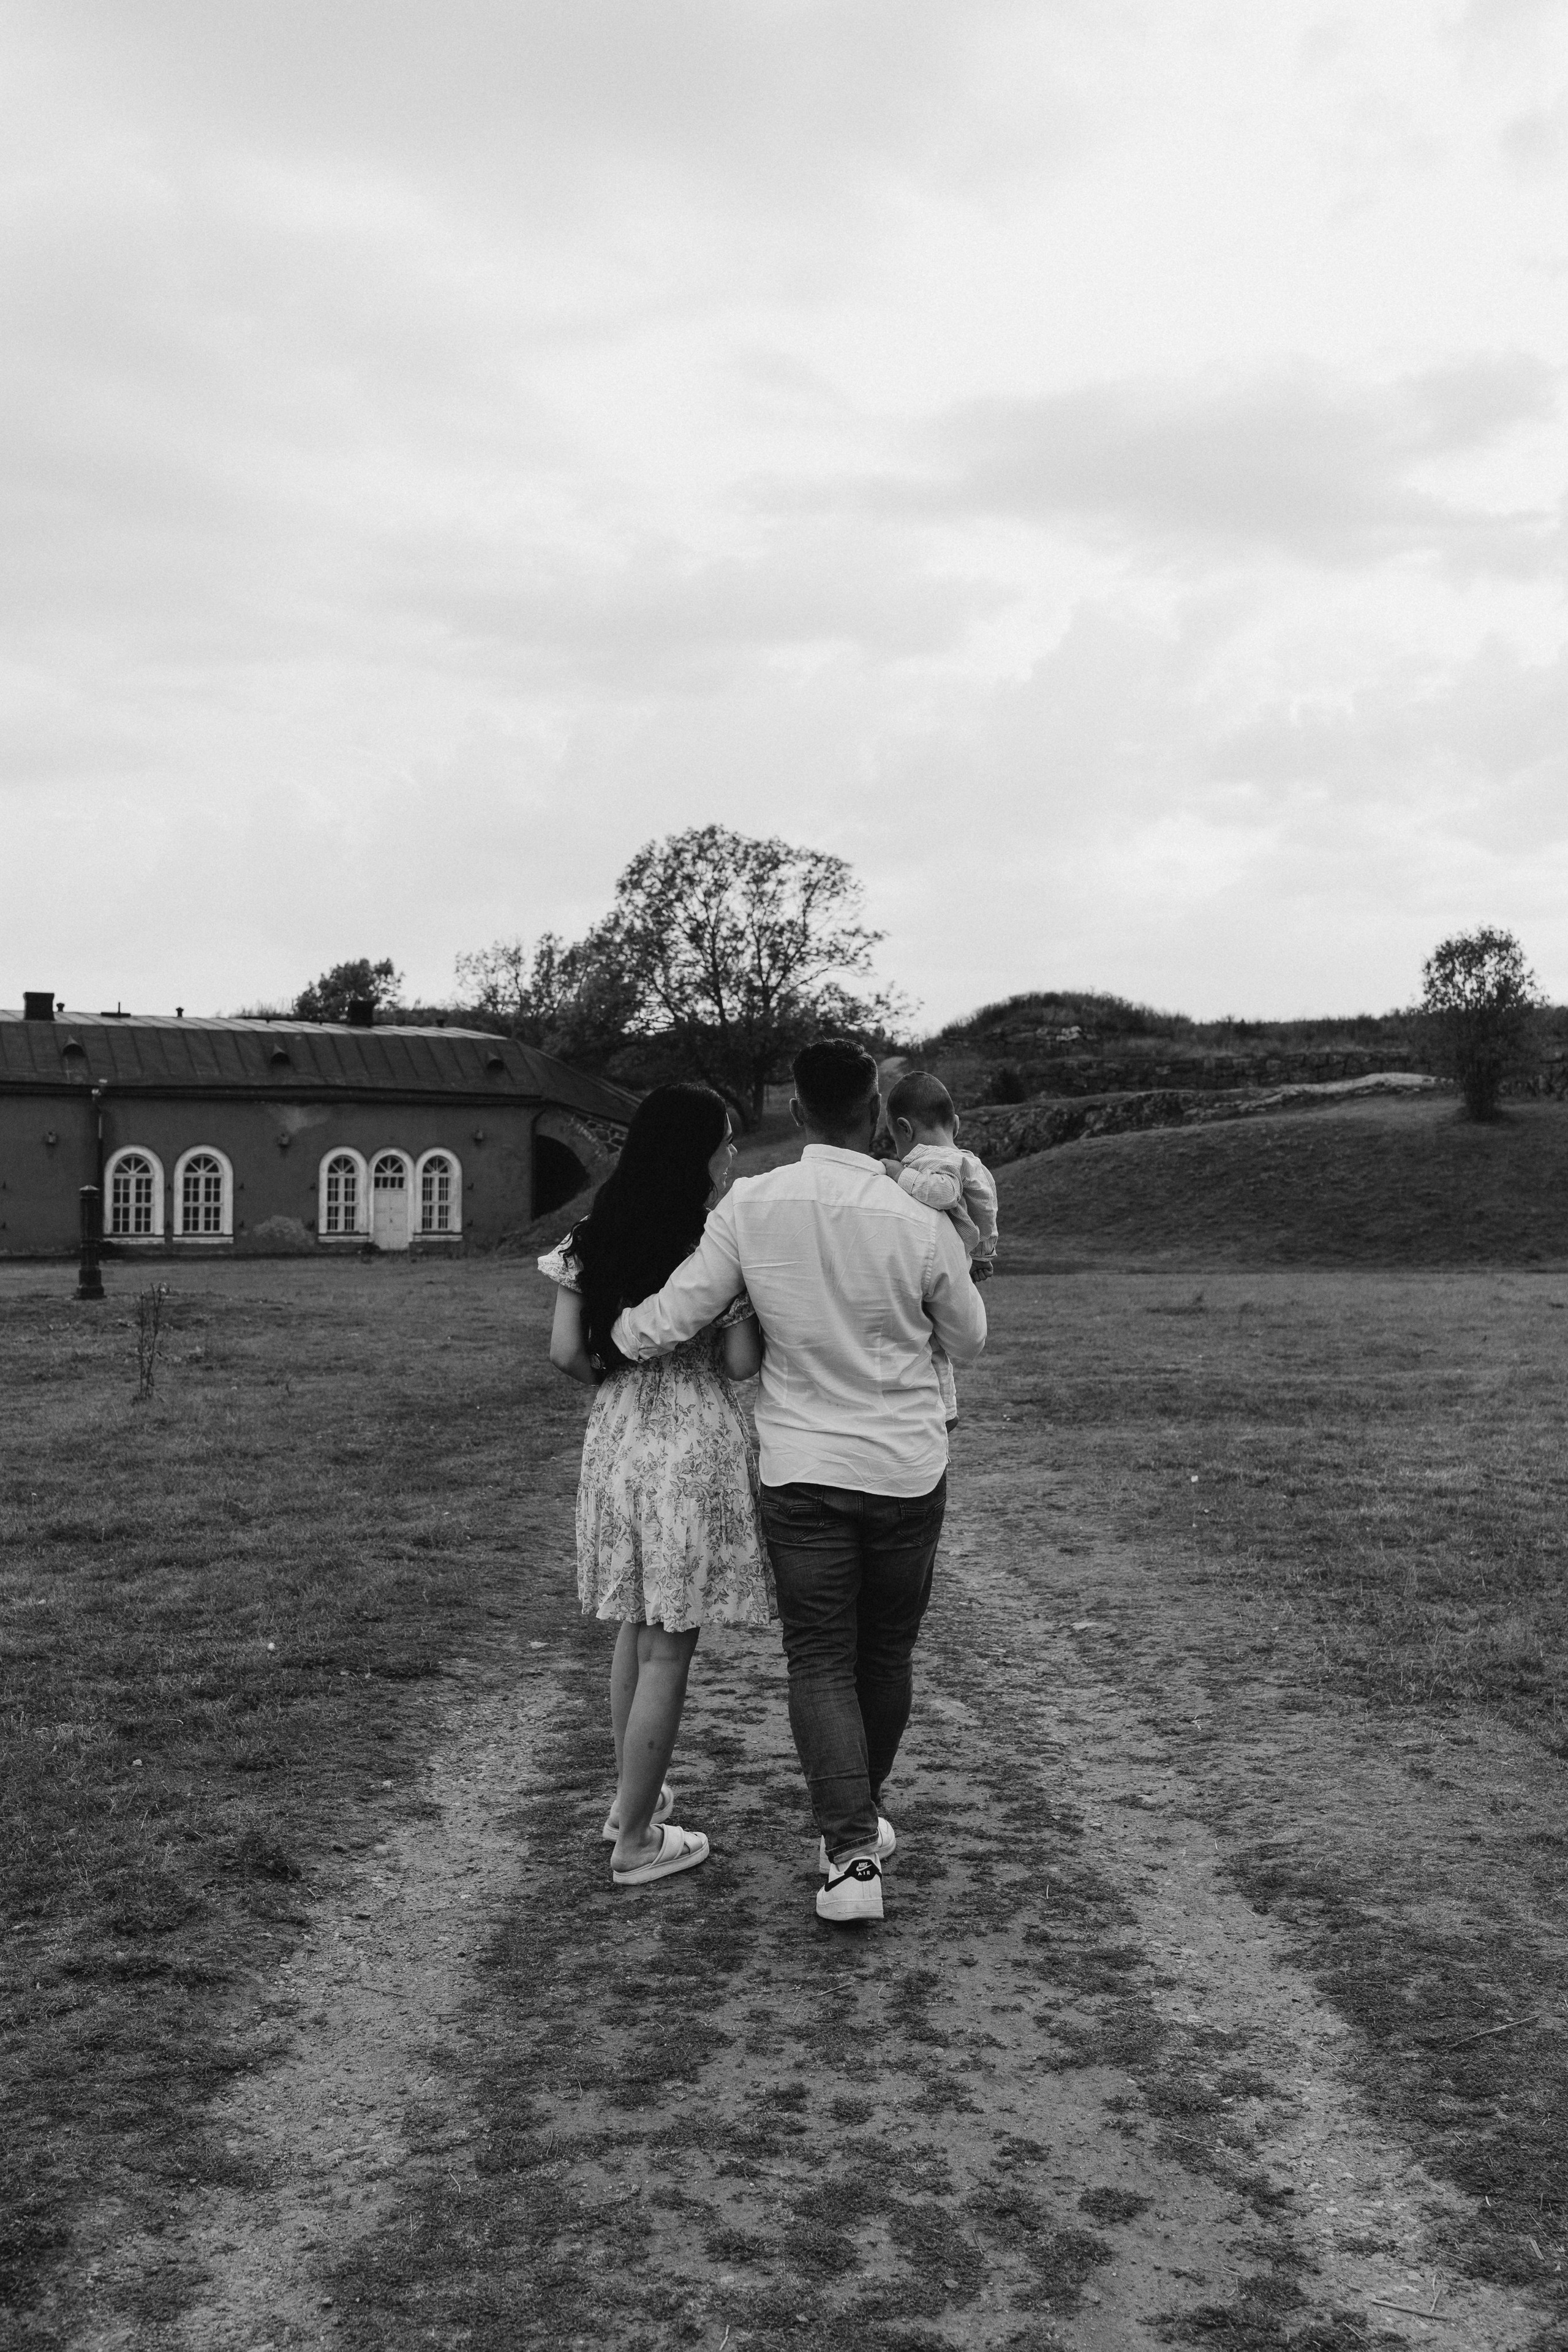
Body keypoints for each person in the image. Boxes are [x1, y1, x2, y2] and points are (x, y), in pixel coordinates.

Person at [611, 1038, 986, 1925]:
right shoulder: (914, 1215)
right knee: (883, 1654)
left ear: (798, 1111)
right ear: (875, 1115)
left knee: (819, 1656)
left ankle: (852, 1854)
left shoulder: (752, 1203)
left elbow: (686, 1306)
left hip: (803, 1469)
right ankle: (850, 1832)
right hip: (902, 1464)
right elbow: (968, 1338)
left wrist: (613, 1338)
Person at [539, 1083, 774, 1890]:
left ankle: (628, 1802)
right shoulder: (713, 1244)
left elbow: (567, 1352)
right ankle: (636, 1841)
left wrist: (621, 1383)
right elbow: (742, 1365)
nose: (732, 1156)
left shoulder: (590, 1235)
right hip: (689, 1439)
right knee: (670, 1642)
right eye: (726, 1142)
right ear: (694, 1154)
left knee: (636, 1625)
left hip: (616, 1436)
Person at [879, 1069, 998, 1430]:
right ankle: (947, 1408)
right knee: (934, 1339)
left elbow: (942, 1194)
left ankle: (946, 1410)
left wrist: (900, 1174)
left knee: (929, 1338)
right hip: (957, 1257)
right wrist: (984, 1254)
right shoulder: (967, 1160)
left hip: (938, 1257)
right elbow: (988, 1210)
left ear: (904, 1129)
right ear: (957, 1124)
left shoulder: (934, 1159)